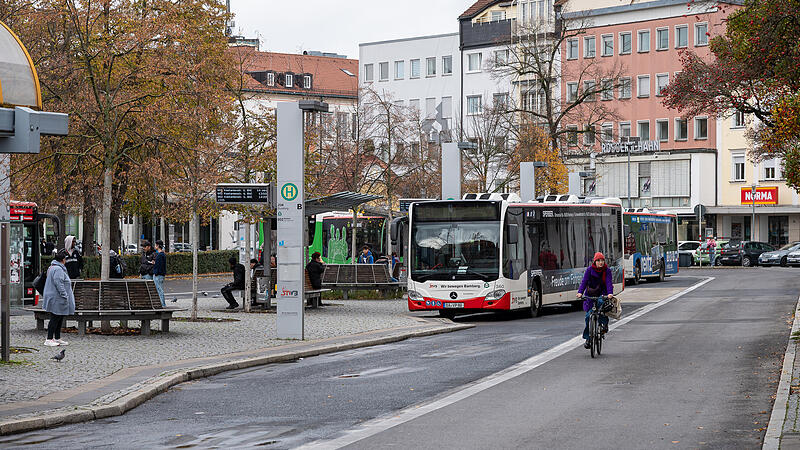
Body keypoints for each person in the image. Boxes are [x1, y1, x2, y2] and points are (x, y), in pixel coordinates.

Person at [576, 252, 614, 349]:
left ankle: (604, 324)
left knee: (602, 308)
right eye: (598, 261)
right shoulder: (589, 270)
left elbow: (609, 282)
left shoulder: (607, 270)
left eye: (602, 260)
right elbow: (584, 282)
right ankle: (588, 338)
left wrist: (609, 293)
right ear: (595, 261)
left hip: (602, 293)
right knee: (588, 317)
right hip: (590, 294)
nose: (600, 262)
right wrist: (580, 292)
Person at [42, 249, 75, 347]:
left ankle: (57, 337)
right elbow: (59, 283)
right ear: (63, 260)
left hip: (56, 297)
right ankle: (49, 339)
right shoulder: (58, 269)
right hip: (57, 298)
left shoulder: (53, 267)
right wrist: (65, 295)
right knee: (55, 318)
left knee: (59, 317)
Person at [152, 240, 167, 307]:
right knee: (159, 289)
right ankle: (162, 304)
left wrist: (156, 273)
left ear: (158, 246)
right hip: (160, 274)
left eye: (155, 245)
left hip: (158, 275)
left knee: (159, 290)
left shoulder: (160, 255)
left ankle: (162, 304)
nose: (154, 246)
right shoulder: (161, 254)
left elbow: (160, 266)